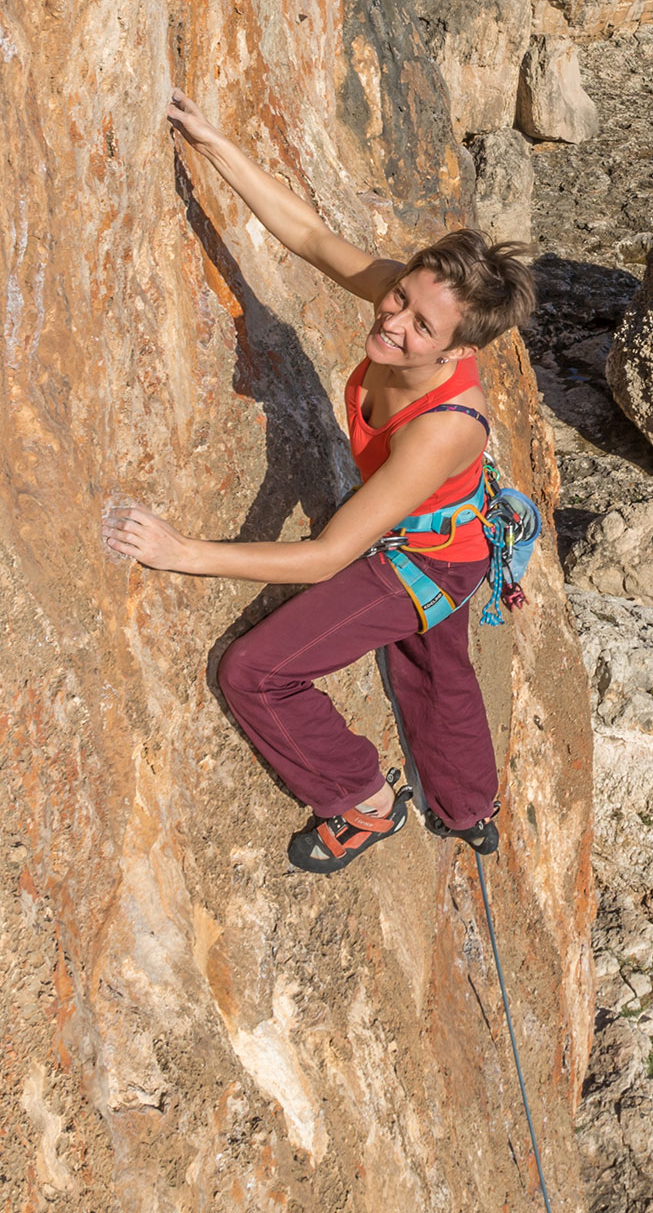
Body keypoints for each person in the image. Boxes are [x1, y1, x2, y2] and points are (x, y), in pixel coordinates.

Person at [102, 90, 536, 874]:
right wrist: (213, 143)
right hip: (445, 533)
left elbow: (329, 555)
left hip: (430, 556)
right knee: (438, 668)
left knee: (257, 673)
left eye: (419, 327)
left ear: (453, 351)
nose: (394, 321)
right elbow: (307, 235)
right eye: (401, 294)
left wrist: (183, 551)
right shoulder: (406, 306)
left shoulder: (444, 425)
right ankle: (469, 808)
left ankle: (362, 801)